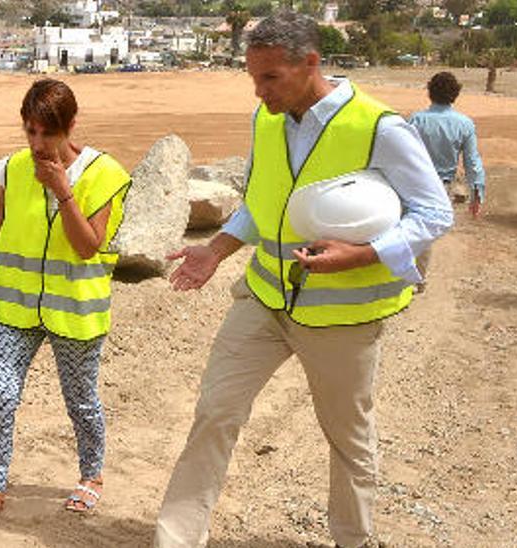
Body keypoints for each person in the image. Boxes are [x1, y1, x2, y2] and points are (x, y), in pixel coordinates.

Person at [153, 11, 452, 548]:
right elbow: (261, 203)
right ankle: (175, 540)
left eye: (270, 77)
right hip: (265, 299)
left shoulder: (380, 128)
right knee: (215, 412)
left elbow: (434, 214)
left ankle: (352, 541)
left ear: (310, 63)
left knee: (348, 439)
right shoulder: (265, 119)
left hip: (343, 318)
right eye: (252, 76)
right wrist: (216, 250)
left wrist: (360, 255)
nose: (259, 90)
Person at [0, 78, 132, 530]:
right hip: (16, 310)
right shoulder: (12, 169)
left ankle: (91, 474)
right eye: (30, 131)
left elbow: (88, 246)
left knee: (81, 400)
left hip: (74, 312)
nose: (37, 143)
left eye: (47, 133)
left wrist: (63, 189)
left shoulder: (105, 175)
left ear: (70, 126)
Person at [410, 72, 486, 219]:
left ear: (430, 92)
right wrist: (477, 195)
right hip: (443, 189)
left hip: (416, 186)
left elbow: (402, 154)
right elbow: (472, 162)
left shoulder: (416, 120)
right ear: (455, 94)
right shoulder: (464, 123)